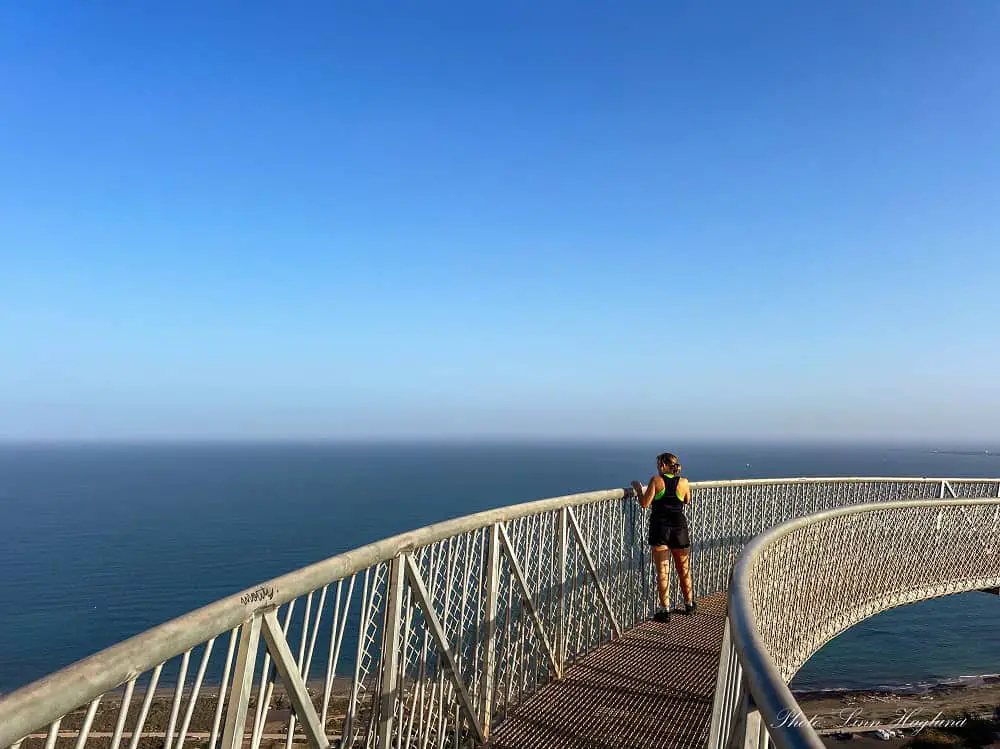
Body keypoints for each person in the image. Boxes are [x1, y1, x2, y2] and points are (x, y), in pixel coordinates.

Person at [631, 452, 696, 622]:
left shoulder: (656, 481)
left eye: (658, 463)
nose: (657, 466)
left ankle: (665, 610)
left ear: (662, 465)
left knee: (663, 572)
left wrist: (639, 490)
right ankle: (689, 604)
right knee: (684, 569)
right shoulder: (684, 482)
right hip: (679, 529)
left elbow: (645, 503)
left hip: (660, 529)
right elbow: (687, 500)